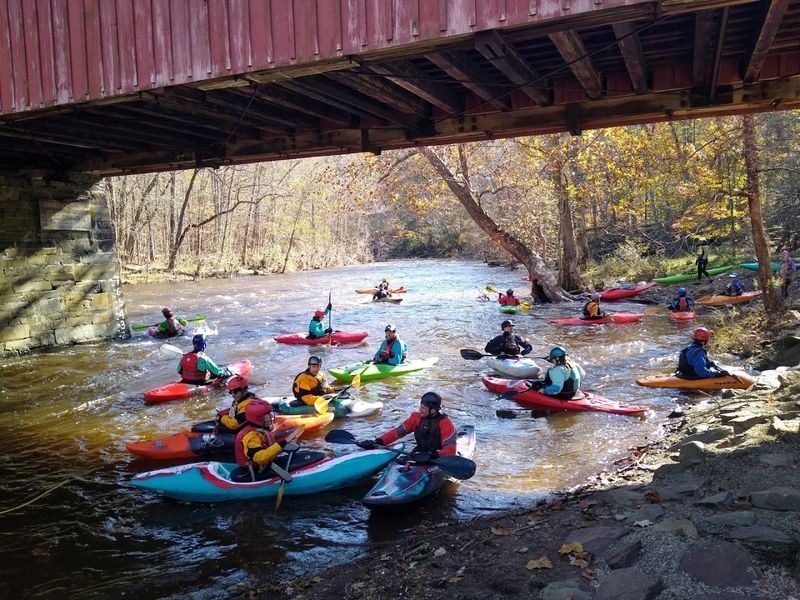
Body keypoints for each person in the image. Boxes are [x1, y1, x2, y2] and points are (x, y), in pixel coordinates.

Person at [356, 392, 457, 464]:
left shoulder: (446, 424)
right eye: (420, 406)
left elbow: (450, 450)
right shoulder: (416, 418)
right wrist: (378, 442)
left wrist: (432, 455)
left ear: (434, 410)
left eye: (423, 408)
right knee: (398, 461)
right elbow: (397, 433)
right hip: (419, 454)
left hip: (438, 458)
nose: (419, 410)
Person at [233, 400, 300, 481]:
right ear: (258, 418)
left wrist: (284, 445)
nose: (271, 417)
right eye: (267, 415)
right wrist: (281, 445)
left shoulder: (261, 429)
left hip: (265, 464)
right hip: (256, 471)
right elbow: (260, 458)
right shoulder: (250, 436)